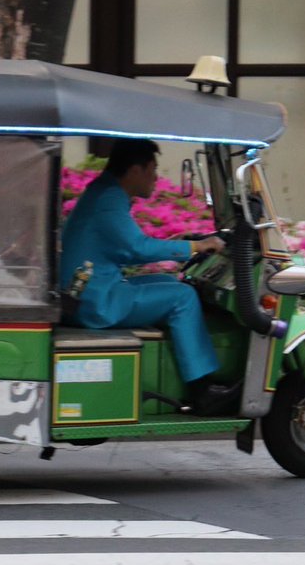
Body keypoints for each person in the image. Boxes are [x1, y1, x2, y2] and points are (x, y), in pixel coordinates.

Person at [59, 139, 237, 413]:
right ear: (134, 171)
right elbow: (136, 248)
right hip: (96, 303)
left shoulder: (105, 192)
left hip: (90, 293)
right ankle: (202, 391)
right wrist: (194, 246)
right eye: (152, 170)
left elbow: (126, 246)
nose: (156, 178)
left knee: (169, 283)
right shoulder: (109, 200)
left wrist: (179, 244)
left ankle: (185, 375)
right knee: (183, 296)